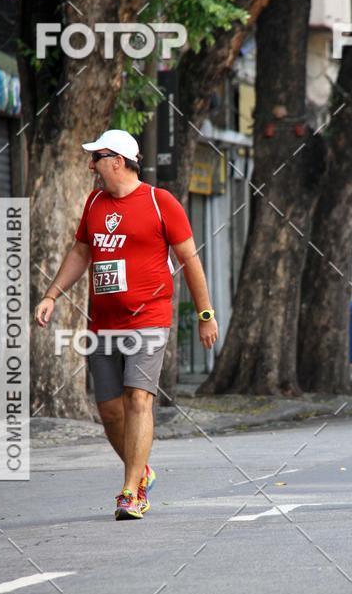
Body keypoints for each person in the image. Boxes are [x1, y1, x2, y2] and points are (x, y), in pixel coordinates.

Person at [34, 129, 218, 520]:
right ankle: (142, 472)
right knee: (110, 412)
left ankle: (131, 492)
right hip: (103, 323)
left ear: (117, 160)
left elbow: (190, 259)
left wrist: (206, 315)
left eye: (97, 157)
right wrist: (51, 295)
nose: (91, 165)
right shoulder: (95, 203)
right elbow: (81, 251)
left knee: (138, 399)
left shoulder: (159, 201)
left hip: (148, 319)